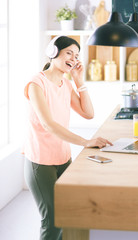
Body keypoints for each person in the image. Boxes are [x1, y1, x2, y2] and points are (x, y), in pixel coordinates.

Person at [23, 35, 112, 240]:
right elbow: (48, 124)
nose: (74, 58)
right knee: (52, 219)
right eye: (69, 52)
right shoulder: (36, 83)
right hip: (40, 161)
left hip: (63, 157)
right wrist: (86, 142)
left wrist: (79, 81)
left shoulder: (66, 83)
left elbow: (88, 113)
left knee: (67, 216)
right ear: (54, 53)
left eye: (77, 54)